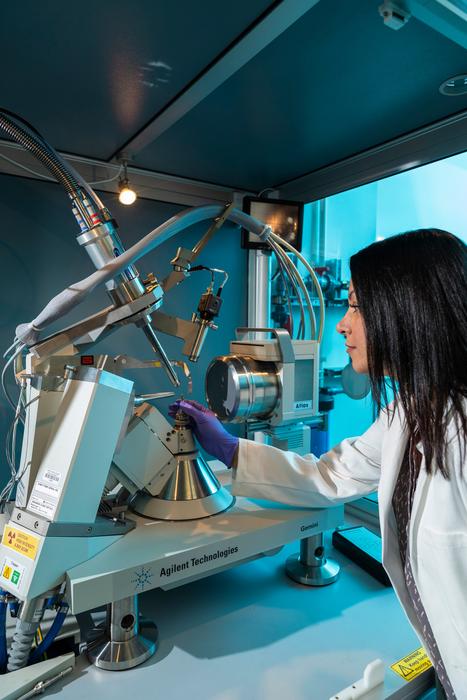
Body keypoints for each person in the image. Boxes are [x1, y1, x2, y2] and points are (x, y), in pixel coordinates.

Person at [169, 228, 467, 699]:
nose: (343, 325)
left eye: (355, 306)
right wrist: (228, 448)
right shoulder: (407, 415)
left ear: (407, 312)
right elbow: (329, 476)